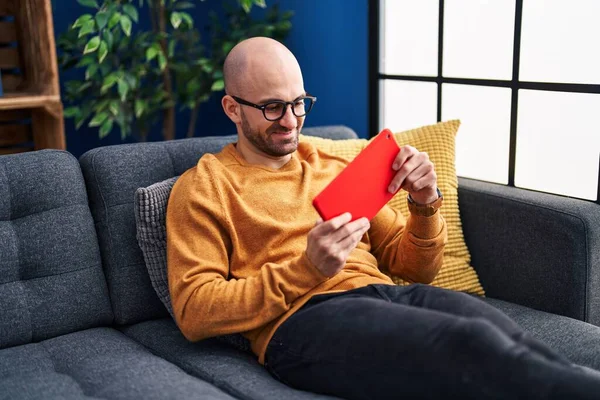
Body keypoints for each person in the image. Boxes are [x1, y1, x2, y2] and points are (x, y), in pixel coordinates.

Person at [166, 37, 600, 400]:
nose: (292, 120)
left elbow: (414, 269)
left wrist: (426, 202)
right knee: (470, 345)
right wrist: (305, 269)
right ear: (232, 108)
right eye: (273, 107)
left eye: (300, 103)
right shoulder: (205, 186)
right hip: (301, 325)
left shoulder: (330, 165)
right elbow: (194, 311)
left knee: (507, 337)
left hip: (385, 294)